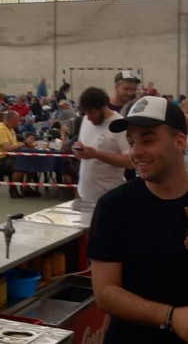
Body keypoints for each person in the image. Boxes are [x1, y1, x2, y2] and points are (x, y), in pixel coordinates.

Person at [88, 96, 188, 343]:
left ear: (179, 142)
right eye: (131, 141)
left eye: (148, 139)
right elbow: (105, 292)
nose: (136, 152)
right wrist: (170, 316)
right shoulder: (113, 207)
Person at [73, 87, 133, 210]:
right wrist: (78, 150)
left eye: (92, 113)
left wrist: (98, 154)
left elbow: (130, 162)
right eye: (86, 113)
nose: (88, 117)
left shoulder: (119, 124)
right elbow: (83, 151)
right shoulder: (86, 120)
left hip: (109, 198)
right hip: (84, 196)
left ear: (103, 107)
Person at [0, 111, 33, 198]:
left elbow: (14, 144)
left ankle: (26, 188)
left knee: (31, 161)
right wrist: (24, 143)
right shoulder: (1, 130)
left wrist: (26, 144)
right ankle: (13, 189)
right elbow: (7, 148)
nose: (19, 122)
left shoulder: (10, 129)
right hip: (0, 159)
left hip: (10, 157)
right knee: (21, 165)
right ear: (12, 120)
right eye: (18, 120)